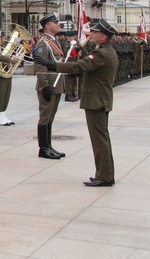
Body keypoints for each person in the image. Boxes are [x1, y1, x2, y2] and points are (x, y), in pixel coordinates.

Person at [37, 20, 119, 187]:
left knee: (99, 140)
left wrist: (50, 64)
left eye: (95, 33)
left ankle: (104, 176)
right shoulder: (104, 51)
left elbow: (79, 67)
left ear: (103, 37)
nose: (92, 34)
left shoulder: (102, 53)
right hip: (99, 99)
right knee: (101, 139)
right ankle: (105, 173)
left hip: (96, 100)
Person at [34, 14, 67, 160]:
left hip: (57, 83)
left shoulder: (54, 42)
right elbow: (40, 67)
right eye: (55, 22)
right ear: (47, 26)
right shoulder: (43, 43)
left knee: (50, 117)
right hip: (49, 85)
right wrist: (45, 85)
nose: (58, 24)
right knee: (45, 117)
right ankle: (43, 148)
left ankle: (49, 145)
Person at [0, 33, 15, 126]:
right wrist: (10, 59)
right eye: (1, 37)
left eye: (3, 37)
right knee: (0, 95)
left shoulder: (5, 46)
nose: (2, 39)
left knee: (6, 95)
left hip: (7, 72)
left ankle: (3, 114)